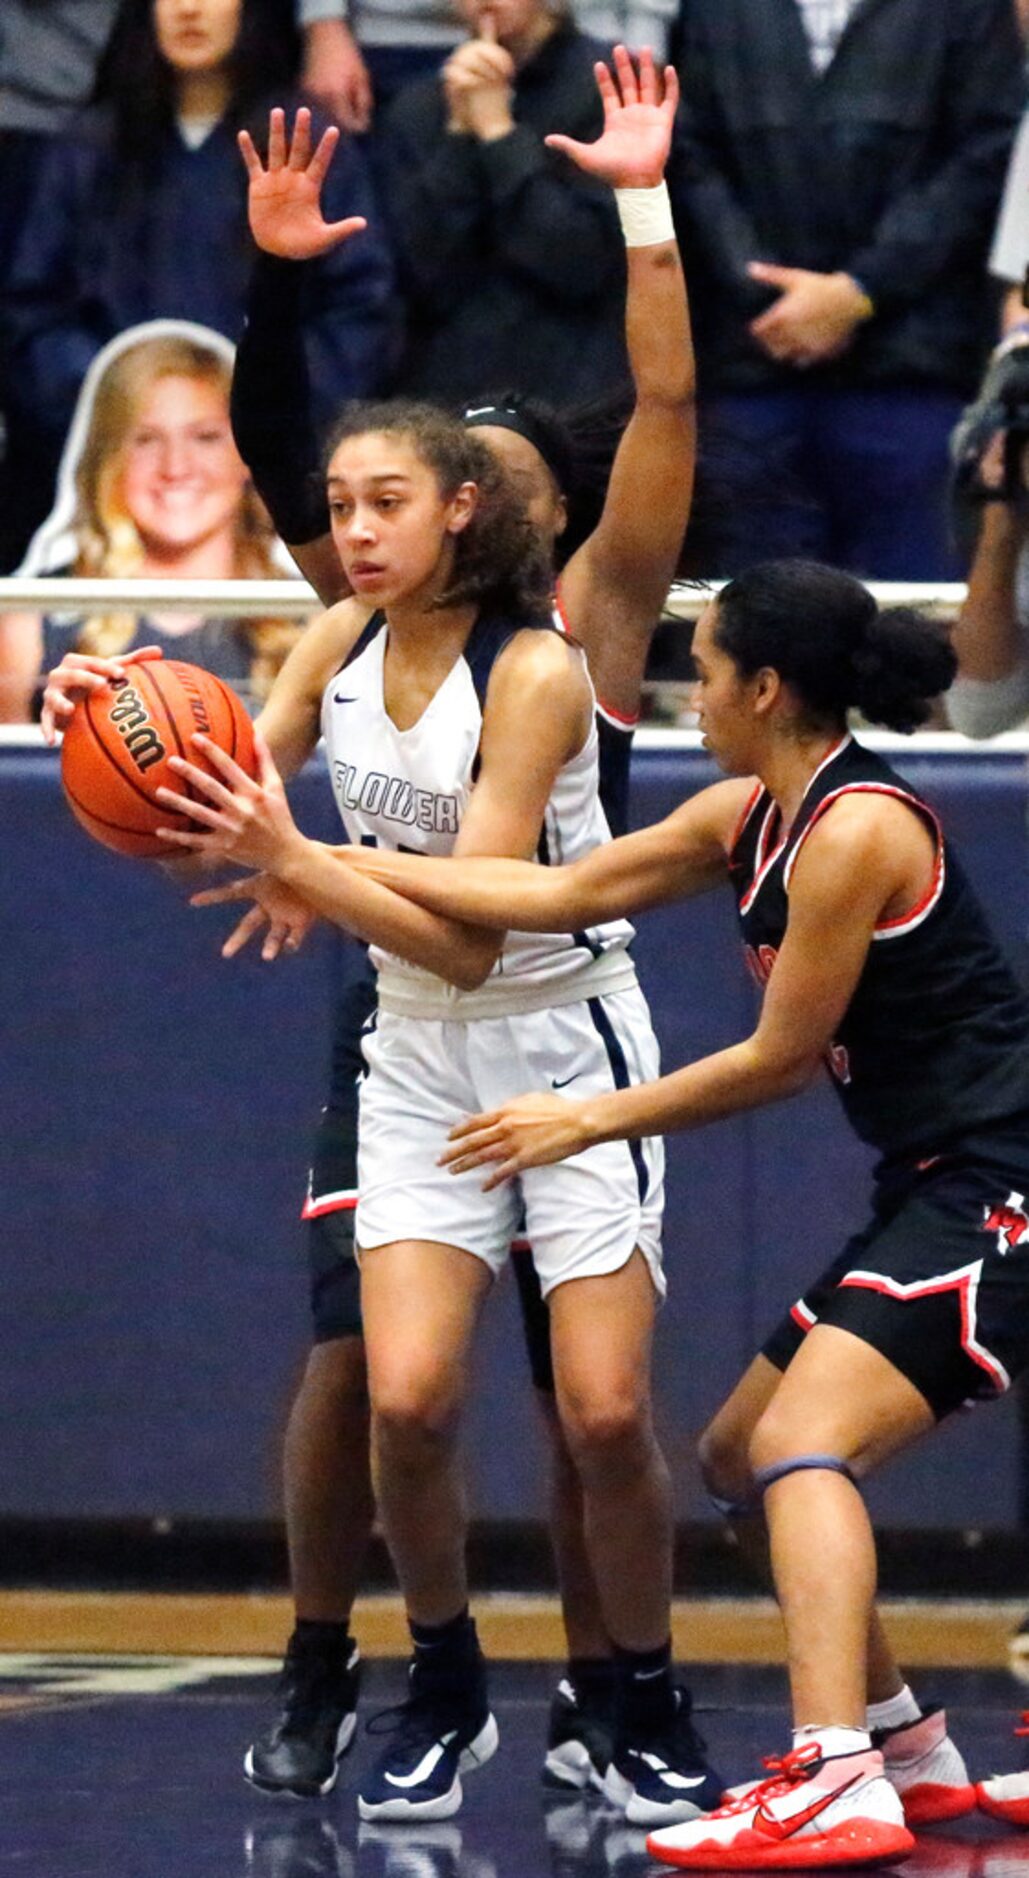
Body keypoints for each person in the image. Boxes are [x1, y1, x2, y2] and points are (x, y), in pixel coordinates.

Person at [329, 557, 1029, 1863]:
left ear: (764, 687)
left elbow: (772, 1056)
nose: (682, 687)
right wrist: (304, 855)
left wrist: (583, 1115)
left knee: (800, 1447)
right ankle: (904, 1746)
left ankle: (827, 1769)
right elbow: (554, 890)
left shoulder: (859, 827)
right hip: (932, 1179)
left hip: (1003, 1183)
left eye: (701, 666)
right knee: (735, 1449)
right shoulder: (743, 812)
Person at [203, 64, 696, 1803]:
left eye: (420, 480)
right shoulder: (351, 606)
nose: (370, 511)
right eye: (366, 494)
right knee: (377, 1374)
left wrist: (641, 204)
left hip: (553, 1015)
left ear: (490, 501)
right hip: (400, 1021)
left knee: (595, 1414)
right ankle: (380, 1664)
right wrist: (273, 277)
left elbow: (662, 400)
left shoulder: (587, 631)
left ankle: (616, 1686)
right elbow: (282, 450)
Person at [0, 0, 394, 566]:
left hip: (274, 488)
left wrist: (260, 416)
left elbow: (360, 308)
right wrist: (123, 407)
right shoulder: (88, 146)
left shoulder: (303, 139)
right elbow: (33, 311)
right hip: (112, 474)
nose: (189, 8)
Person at [667, 0, 1024, 579]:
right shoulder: (716, 9)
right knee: (754, 623)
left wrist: (861, 290)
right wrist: (763, 287)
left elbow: (983, 160)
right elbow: (687, 152)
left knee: (909, 622)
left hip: (911, 370)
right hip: (753, 361)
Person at [0, 322, 300, 723]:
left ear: (248, 454)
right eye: (145, 439)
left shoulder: (314, 621)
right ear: (106, 459)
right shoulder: (31, 623)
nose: (175, 468)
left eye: (206, 437)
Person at [376, 0, 631, 406]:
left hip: (576, 392)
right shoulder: (418, 109)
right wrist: (459, 135)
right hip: (451, 397)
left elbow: (579, 264)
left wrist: (500, 135)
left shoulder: (610, 88)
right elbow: (423, 279)